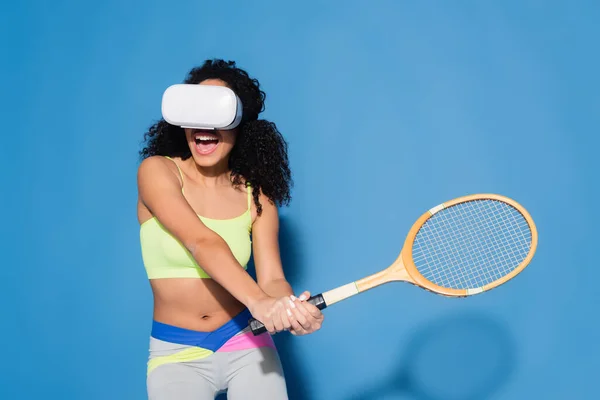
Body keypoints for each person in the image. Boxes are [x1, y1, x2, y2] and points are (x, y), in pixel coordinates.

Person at [137, 59, 324, 399]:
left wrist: (289, 310)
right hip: (176, 353)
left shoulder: (258, 195)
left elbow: (272, 280)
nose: (204, 125)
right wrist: (259, 301)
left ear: (240, 125)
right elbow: (200, 241)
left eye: (217, 113)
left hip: (246, 341)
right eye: (196, 111)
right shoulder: (157, 171)